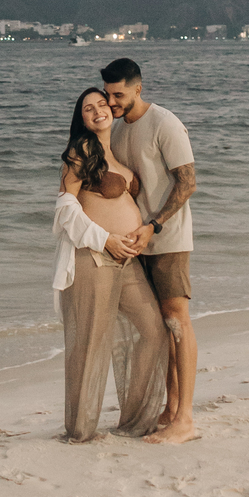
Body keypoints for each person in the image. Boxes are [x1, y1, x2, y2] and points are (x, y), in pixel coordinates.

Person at [52, 87, 169, 442]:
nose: (97, 111)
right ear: (82, 119)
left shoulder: (116, 152)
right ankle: (80, 431)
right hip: (95, 257)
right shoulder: (80, 152)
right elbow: (65, 208)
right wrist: (105, 239)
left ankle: (135, 421)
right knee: (89, 345)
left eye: (102, 104)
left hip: (128, 261)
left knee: (153, 330)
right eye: (88, 109)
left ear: (112, 109)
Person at [101, 58, 198, 444]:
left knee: (177, 320)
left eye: (118, 95)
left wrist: (154, 225)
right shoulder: (118, 129)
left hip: (168, 239)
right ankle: (170, 409)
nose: (111, 102)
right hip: (134, 243)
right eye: (107, 95)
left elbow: (187, 182)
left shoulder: (164, 123)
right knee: (158, 326)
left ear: (138, 89)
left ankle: (186, 419)